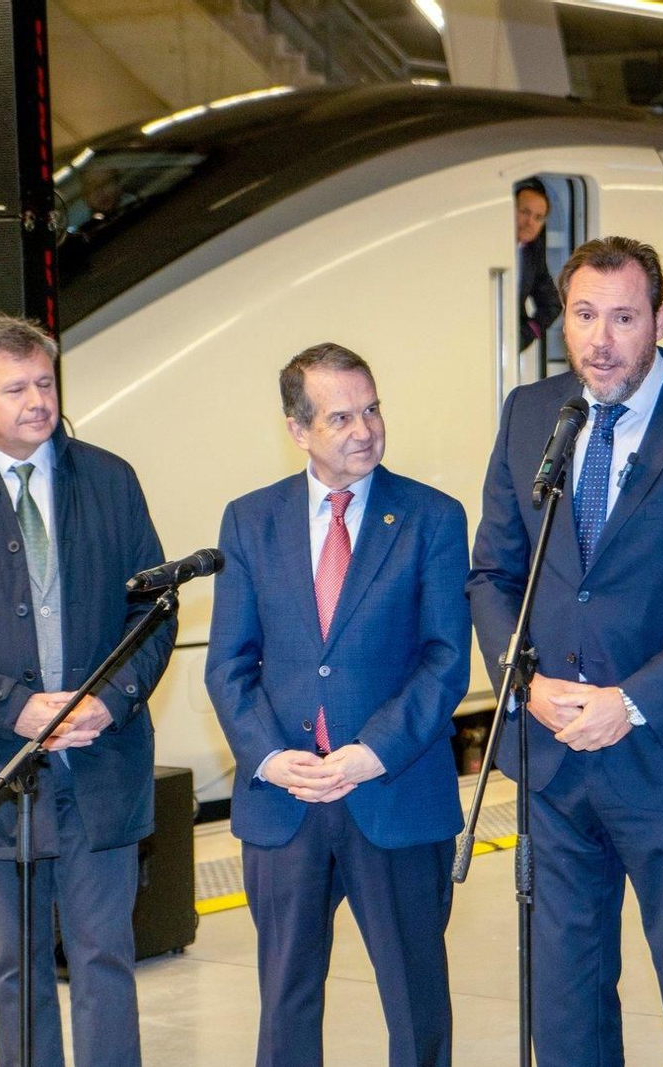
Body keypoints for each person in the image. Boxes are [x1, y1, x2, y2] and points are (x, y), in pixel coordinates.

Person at [467, 235, 663, 1067]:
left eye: (623, 318)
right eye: (584, 315)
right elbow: (494, 572)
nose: (600, 340)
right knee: (565, 997)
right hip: (552, 759)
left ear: (660, 319)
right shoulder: (531, 414)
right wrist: (523, 683)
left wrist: (630, 701)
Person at [0, 314, 175, 1067]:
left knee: (105, 958)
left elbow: (154, 608)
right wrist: (11, 707)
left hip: (99, 762)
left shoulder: (109, 478)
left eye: (45, 383)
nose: (38, 401)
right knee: (16, 970)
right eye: (15, 389)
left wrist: (110, 698)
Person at [206, 342, 468, 1067]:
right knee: (285, 1004)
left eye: (372, 409)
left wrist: (371, 752)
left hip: (393, 790)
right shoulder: (250, 521)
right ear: (298, 430)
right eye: (341, 417)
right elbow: (229, 664)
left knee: (416, 1004)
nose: (365, 429)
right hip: (285, 802)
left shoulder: (432, 517)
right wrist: (270, 757)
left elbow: (445, 659)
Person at [516, 179, 561, 352]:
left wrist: (528, 334)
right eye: (524, 212)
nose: (530, 222)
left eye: (538, 217)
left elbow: (552, 305)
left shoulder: (532, 254)